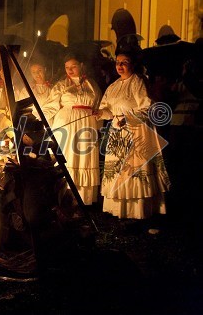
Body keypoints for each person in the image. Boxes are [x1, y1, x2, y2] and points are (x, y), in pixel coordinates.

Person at [95, 47, 170, 219]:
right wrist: (100, 113)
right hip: (117, 131)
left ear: (132, 64)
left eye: (124, 63)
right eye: (117, 63)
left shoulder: (138, 82)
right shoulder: (113, 86)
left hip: (135, 131)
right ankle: (119, 210)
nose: (119, 66)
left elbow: (146, 107)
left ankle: (137, 212)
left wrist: (128, 119)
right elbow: (107, 109)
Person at [45, 53, 102, 205]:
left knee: (84, 157)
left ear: (81, 65)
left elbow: (98, 104)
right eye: (67, 67)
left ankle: (83, 199)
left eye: (73, 67)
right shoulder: (62, 84)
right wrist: (38, 117)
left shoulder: (92, 84)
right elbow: (50, 105)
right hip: (67, 122)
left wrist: (98, 118)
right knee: (67, 156)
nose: (69, 70)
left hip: (86, 124)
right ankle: (64, 198)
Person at [16, 59, 55, 125]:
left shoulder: (53, 88)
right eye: (33, 72)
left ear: (44, 69)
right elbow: (22, 109)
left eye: (39, 70)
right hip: (33, 122)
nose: (37, 74)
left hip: (50, 122)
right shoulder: (27, 89)